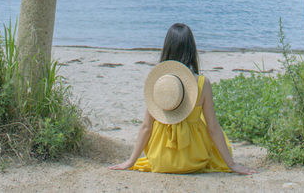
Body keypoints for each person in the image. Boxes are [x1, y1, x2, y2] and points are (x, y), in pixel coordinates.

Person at [109, 22, 255, 175]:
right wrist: (231, 164)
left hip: (161, 160)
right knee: (205, 121)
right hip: (194, 159)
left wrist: (130, 161)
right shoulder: (202, 83)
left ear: (167, 49)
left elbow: (146, 127)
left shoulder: (159, 83)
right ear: (192, 50)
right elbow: (213, 128)